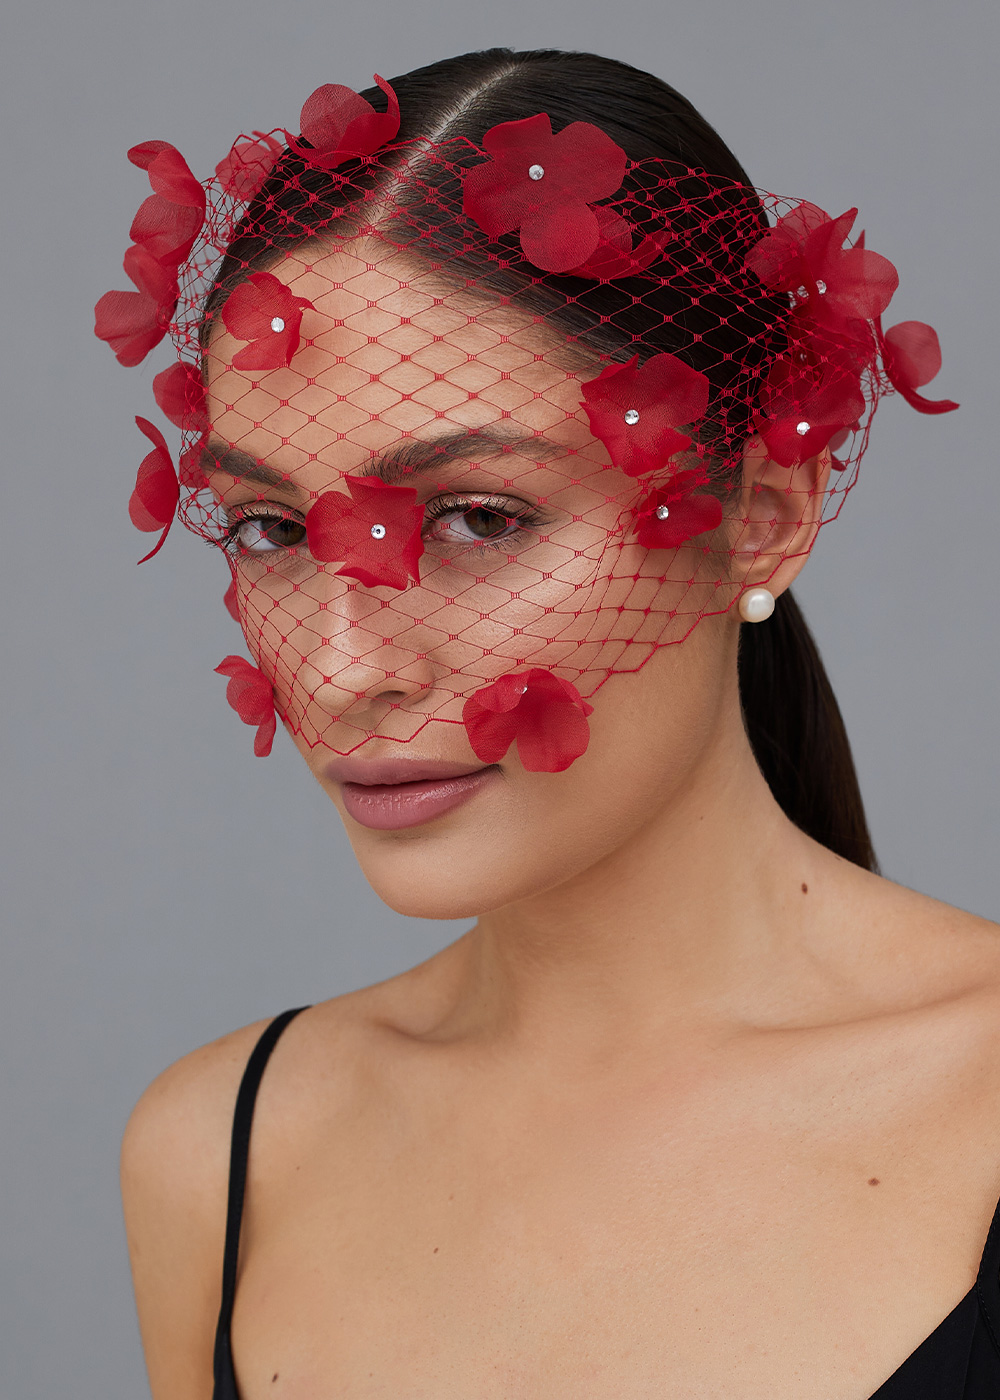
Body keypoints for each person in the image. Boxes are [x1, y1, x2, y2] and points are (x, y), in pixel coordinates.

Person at [101, 47, 998, 1400]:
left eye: (477, 517)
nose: (344, 675)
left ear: (764, 513)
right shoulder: (222, 1154)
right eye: (274, 528)